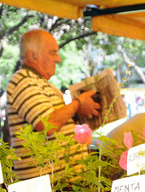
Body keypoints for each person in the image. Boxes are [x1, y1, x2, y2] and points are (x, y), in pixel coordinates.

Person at [7, 29, 100, 181]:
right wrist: (79, 103)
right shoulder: (24, 80)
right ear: (32, 55)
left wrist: (79, 112)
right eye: (52, 53)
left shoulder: (40, 83)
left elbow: (56, 122)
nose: (58, 59)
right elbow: (47, 124)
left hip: (65, 189)